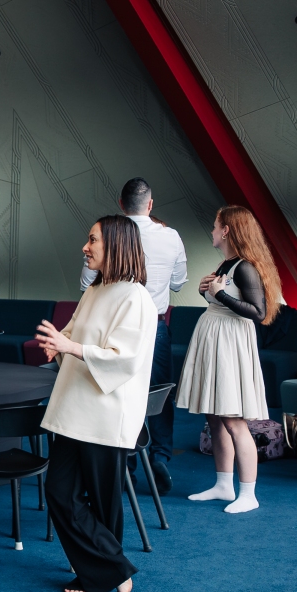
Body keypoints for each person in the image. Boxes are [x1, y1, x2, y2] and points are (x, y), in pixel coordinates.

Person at [39, 216, 159, 592]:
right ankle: (112, 570)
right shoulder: (95, 289)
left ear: (116, 245)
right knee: (59, 492)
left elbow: (124, 358)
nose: (85, 247)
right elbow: (73, 335)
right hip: (75, 410)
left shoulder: (136, 297)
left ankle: (105, 573)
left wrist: (69, 346)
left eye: (92, 240)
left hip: (106, 414)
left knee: (103, 502)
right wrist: (58, 344)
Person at [81, 178, 186, 491]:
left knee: (120, 392)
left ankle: (125, 462)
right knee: (159, 393)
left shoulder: (108, 234)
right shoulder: (171, 236)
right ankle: (160, 457)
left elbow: (86, 284)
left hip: (115, 326)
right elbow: (178, 283)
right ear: (150, 204)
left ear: (121, 204)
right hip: (155, 326)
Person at [179, 206, 280, 515]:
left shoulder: (245, 267)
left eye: (215, 225)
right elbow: (225, 299)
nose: (212, 231)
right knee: (215, 417)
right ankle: (224, 485)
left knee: (234, 420)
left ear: (226, 230)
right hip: (216, 340)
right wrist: (207, 292)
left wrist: (220, 295)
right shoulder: (226, 263)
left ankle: (248, 493)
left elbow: (259, 312)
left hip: (230, 344)